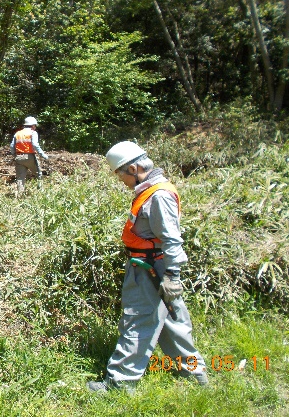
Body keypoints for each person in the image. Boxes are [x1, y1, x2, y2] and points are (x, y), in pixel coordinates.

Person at [87, 141, 208, 393]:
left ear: (133, 168)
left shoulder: (158, 195)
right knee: (172, 322)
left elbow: (172, 239)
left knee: (137, 321)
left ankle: (120, 382)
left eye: (121, 176)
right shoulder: (151, 191)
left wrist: (172, 276)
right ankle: (194, 372)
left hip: (150, 269)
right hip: (156, 266)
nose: (122, 182)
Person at [10, 116, 49, 193]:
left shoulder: (17, 133)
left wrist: (15, 155)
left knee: (20, 178)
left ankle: (20, 195)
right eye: (35, 126)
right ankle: (40, 193)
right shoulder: (33, 133)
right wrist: (43, 155)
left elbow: (11, 146)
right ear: (33, 125)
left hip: (19, 157)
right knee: (39, 174)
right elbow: (35, 144)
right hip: (29, 157)